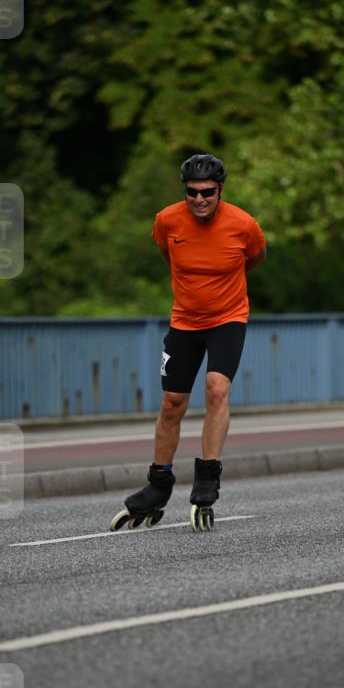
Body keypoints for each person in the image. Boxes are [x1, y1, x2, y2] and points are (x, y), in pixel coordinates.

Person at [109, 153, 267, 532]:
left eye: (207, 192)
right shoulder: (167, 221)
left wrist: (223, 288)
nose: (199, 199)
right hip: (184, 322)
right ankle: (158, 485)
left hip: (228, 320)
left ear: (220, 189)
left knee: (216, 389)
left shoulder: (244, 225)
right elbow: (169, 255)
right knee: (171, 404)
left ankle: (207, 481)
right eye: (192, 192)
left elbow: (256, 258)